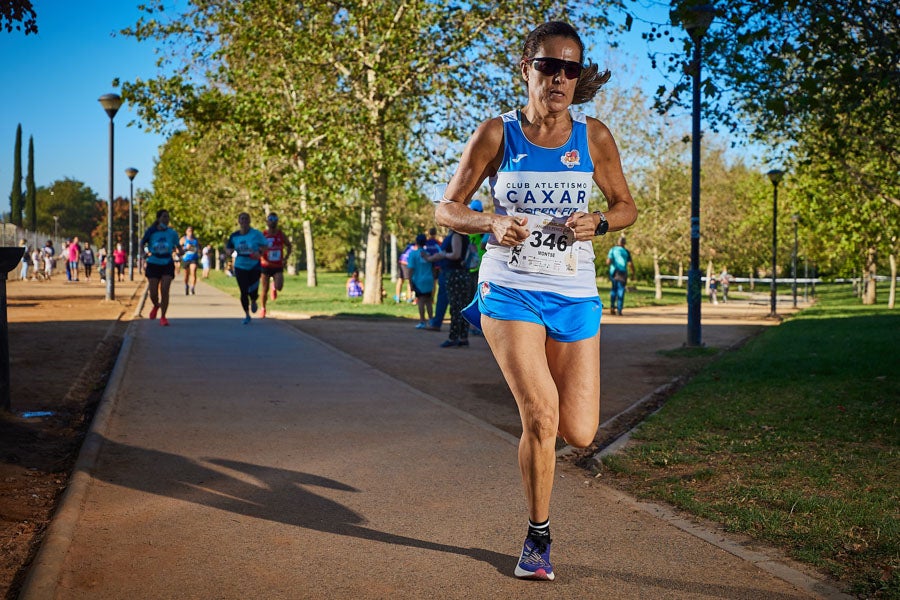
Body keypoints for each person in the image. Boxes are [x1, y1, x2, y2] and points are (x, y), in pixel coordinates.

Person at [433, 21, 637, 580]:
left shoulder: (593, 137)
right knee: (541, 416)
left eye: (572, 69)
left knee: (580, 431)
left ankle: (547, 443)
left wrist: (599, 220)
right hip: (510, 287)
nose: (560, 78)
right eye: (550, 65)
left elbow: (626, 207)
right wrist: (488, 222)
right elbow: (447, 208)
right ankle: (538, 538)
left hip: (574, 289)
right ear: (527, 68)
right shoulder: (497, 135)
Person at [225, 212, 268, 324]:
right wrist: (230, 252)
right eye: (242, 219)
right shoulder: (235, 236)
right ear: (239, 221)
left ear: (249, 221)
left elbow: (265, 245)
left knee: (253, 290)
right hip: (240, 265)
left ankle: (253, 300)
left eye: (246, 219)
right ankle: (247, 314)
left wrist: (259, 253)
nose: (244, 221)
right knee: (243, 291)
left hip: (254, 265)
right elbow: (228, 248)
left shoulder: (256, 234)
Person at [140, 209, 181, 327]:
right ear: (158, 219)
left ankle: (163, 317)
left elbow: (178, 246)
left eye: (168, 217)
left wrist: (182, 251)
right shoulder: (151, 231)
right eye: (164, 217)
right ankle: (156, 305)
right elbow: (142, 243)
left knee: (165, 289)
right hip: (153, 262)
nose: (166, 219)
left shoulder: (172, 233)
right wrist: (143, 253)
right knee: (153, 292)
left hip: (167, 262)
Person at [259, 212, 292, 318]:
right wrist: (262, 258)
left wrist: (285, 258)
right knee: (264, 289)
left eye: (274, 220)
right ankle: (263, 308)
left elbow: (289, 246)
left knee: (280, 286)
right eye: (270, 220)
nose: (272, 222)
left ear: (277, 221)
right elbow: (257, 248)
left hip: (277, 265)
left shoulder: (281, 234)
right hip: (265, 265)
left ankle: (274, 286)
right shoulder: (263, 235)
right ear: (267, 222)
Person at [407, 233, 444, 328]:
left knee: (421, 301)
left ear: (416, 242)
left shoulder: (413, 254)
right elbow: (433, 268)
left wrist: (410, 282)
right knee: (428, 301)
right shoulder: (428, 254)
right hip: (429, 280)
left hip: (418, 281)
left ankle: (422, 321)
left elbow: (411, 269)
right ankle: (431, 320)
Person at [606, 235, 634, 316]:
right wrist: (633, 273)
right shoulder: (626, 251)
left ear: (618, 242)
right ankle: (619, 309)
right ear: (624, 243)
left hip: (614, 272)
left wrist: (613, 261)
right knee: (621, 290)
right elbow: (630, 264)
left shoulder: (613, 250)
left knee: (614, 289)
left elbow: (608, 262)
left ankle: (612, 307)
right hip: (622, 272)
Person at [180, 226, 200, 295]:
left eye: (191, 231)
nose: (190, 232)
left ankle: (192, 287)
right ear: (186, 232)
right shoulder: (183, 239)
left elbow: (199, 248)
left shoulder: (195, 240)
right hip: (186, 259)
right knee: (186, 274)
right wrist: (185, 248)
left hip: (194, 258)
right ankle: (186, 285)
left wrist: (194, 249)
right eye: (189, 231)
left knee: (193, 271)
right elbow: (179, 248)